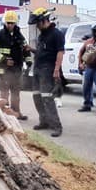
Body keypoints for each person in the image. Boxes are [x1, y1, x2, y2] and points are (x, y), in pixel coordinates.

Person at [27, 8, 64, 137]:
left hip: (48, 70)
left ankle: (56, 126)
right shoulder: (41, 35)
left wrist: (56, 69)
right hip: (37, 69)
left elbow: (60, 52)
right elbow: (40, 52)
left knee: (47, 98)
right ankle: (44, 121)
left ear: (44, 20)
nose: (37, 26)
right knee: (36, 96)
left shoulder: (56, 34)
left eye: (38, 23)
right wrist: (30, 49)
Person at [0, 10, 33, 120]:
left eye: (12, 23)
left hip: (16, 69)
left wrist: (28, 61)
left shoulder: (19, 36)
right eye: (8, 23)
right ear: (4, 22)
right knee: (4, 92)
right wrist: (4, 60)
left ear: (15, 23)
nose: (10, 25)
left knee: (16, 92)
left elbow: (26, 49)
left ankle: (16, 113)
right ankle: (4, 114)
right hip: (3, 69)